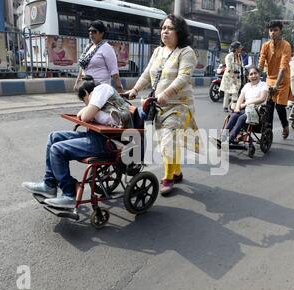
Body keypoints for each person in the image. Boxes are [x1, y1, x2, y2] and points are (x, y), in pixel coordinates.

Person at [21, 77, 131, 208]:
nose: (85, 104)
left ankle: (69, 194)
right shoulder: (98, 100)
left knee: (57, 149)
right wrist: (88, 107)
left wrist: (89, 106)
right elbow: (81, 115)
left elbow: (84, 116)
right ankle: (49, 185)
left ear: (85, 92)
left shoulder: (102, 89)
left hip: (109, 143)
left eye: (83, 99)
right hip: (97, 137)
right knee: (53, 137)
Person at [125, 14, 200, 196]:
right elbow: (146, 73)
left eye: (170, 28)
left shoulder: (186, 52)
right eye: (163, 28)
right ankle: (177, 171)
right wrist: (134, 89)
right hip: (158, 104)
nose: (165, 31)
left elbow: (184, 77)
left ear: (179, 32)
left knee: (168, 140)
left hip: (179, 105)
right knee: (168, 141)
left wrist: (167, 93)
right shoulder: (158, 51)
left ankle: (168, 178)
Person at [258, 20, 292, 139]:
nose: (272, 32)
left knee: (279, 107)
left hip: (282, 80)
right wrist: (255, 77)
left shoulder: (286, 45)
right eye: (271, 30)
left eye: (275, 30)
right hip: (270, 78)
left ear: (281, 31)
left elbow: (283, 67)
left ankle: (285, 125)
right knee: (269, 107)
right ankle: (268, 132)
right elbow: (261, 63)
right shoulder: (266, 45)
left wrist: (276, 85)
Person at [221, 66, 269, 143]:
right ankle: (222, 138)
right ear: (248, 77)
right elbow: (240, 98)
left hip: (258, 110)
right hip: (246, 109)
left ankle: (230, 139)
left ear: (259, 74)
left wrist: (246, 103)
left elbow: (262, 98)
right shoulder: (247, 86)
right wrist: (237, 107)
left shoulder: (263, 85)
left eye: (255, 73)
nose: (253, 76)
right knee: (234, 116)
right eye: (251, 74)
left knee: (241, 118)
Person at [73, 20, 124, 93]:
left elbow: (114, 71)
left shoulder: (107, 48)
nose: (91, 34)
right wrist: (77, 82)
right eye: (90, 31)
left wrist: (120, 90)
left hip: (100, 88)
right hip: (87, 87)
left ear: (101, 33)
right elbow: (82, 67)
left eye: (94, 31)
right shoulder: (88, 47)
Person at [219, 41, 244, 113]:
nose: (240, 49)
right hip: (229, 76)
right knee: (227, 92)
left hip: (237, 76)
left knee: (235, 92)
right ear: (236, 49)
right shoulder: (229, 56)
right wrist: (233, 77)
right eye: (239, 48)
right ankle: (225, 106)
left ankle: (233, 107)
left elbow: (241, 66)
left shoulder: (239, 56)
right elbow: (229, 68)